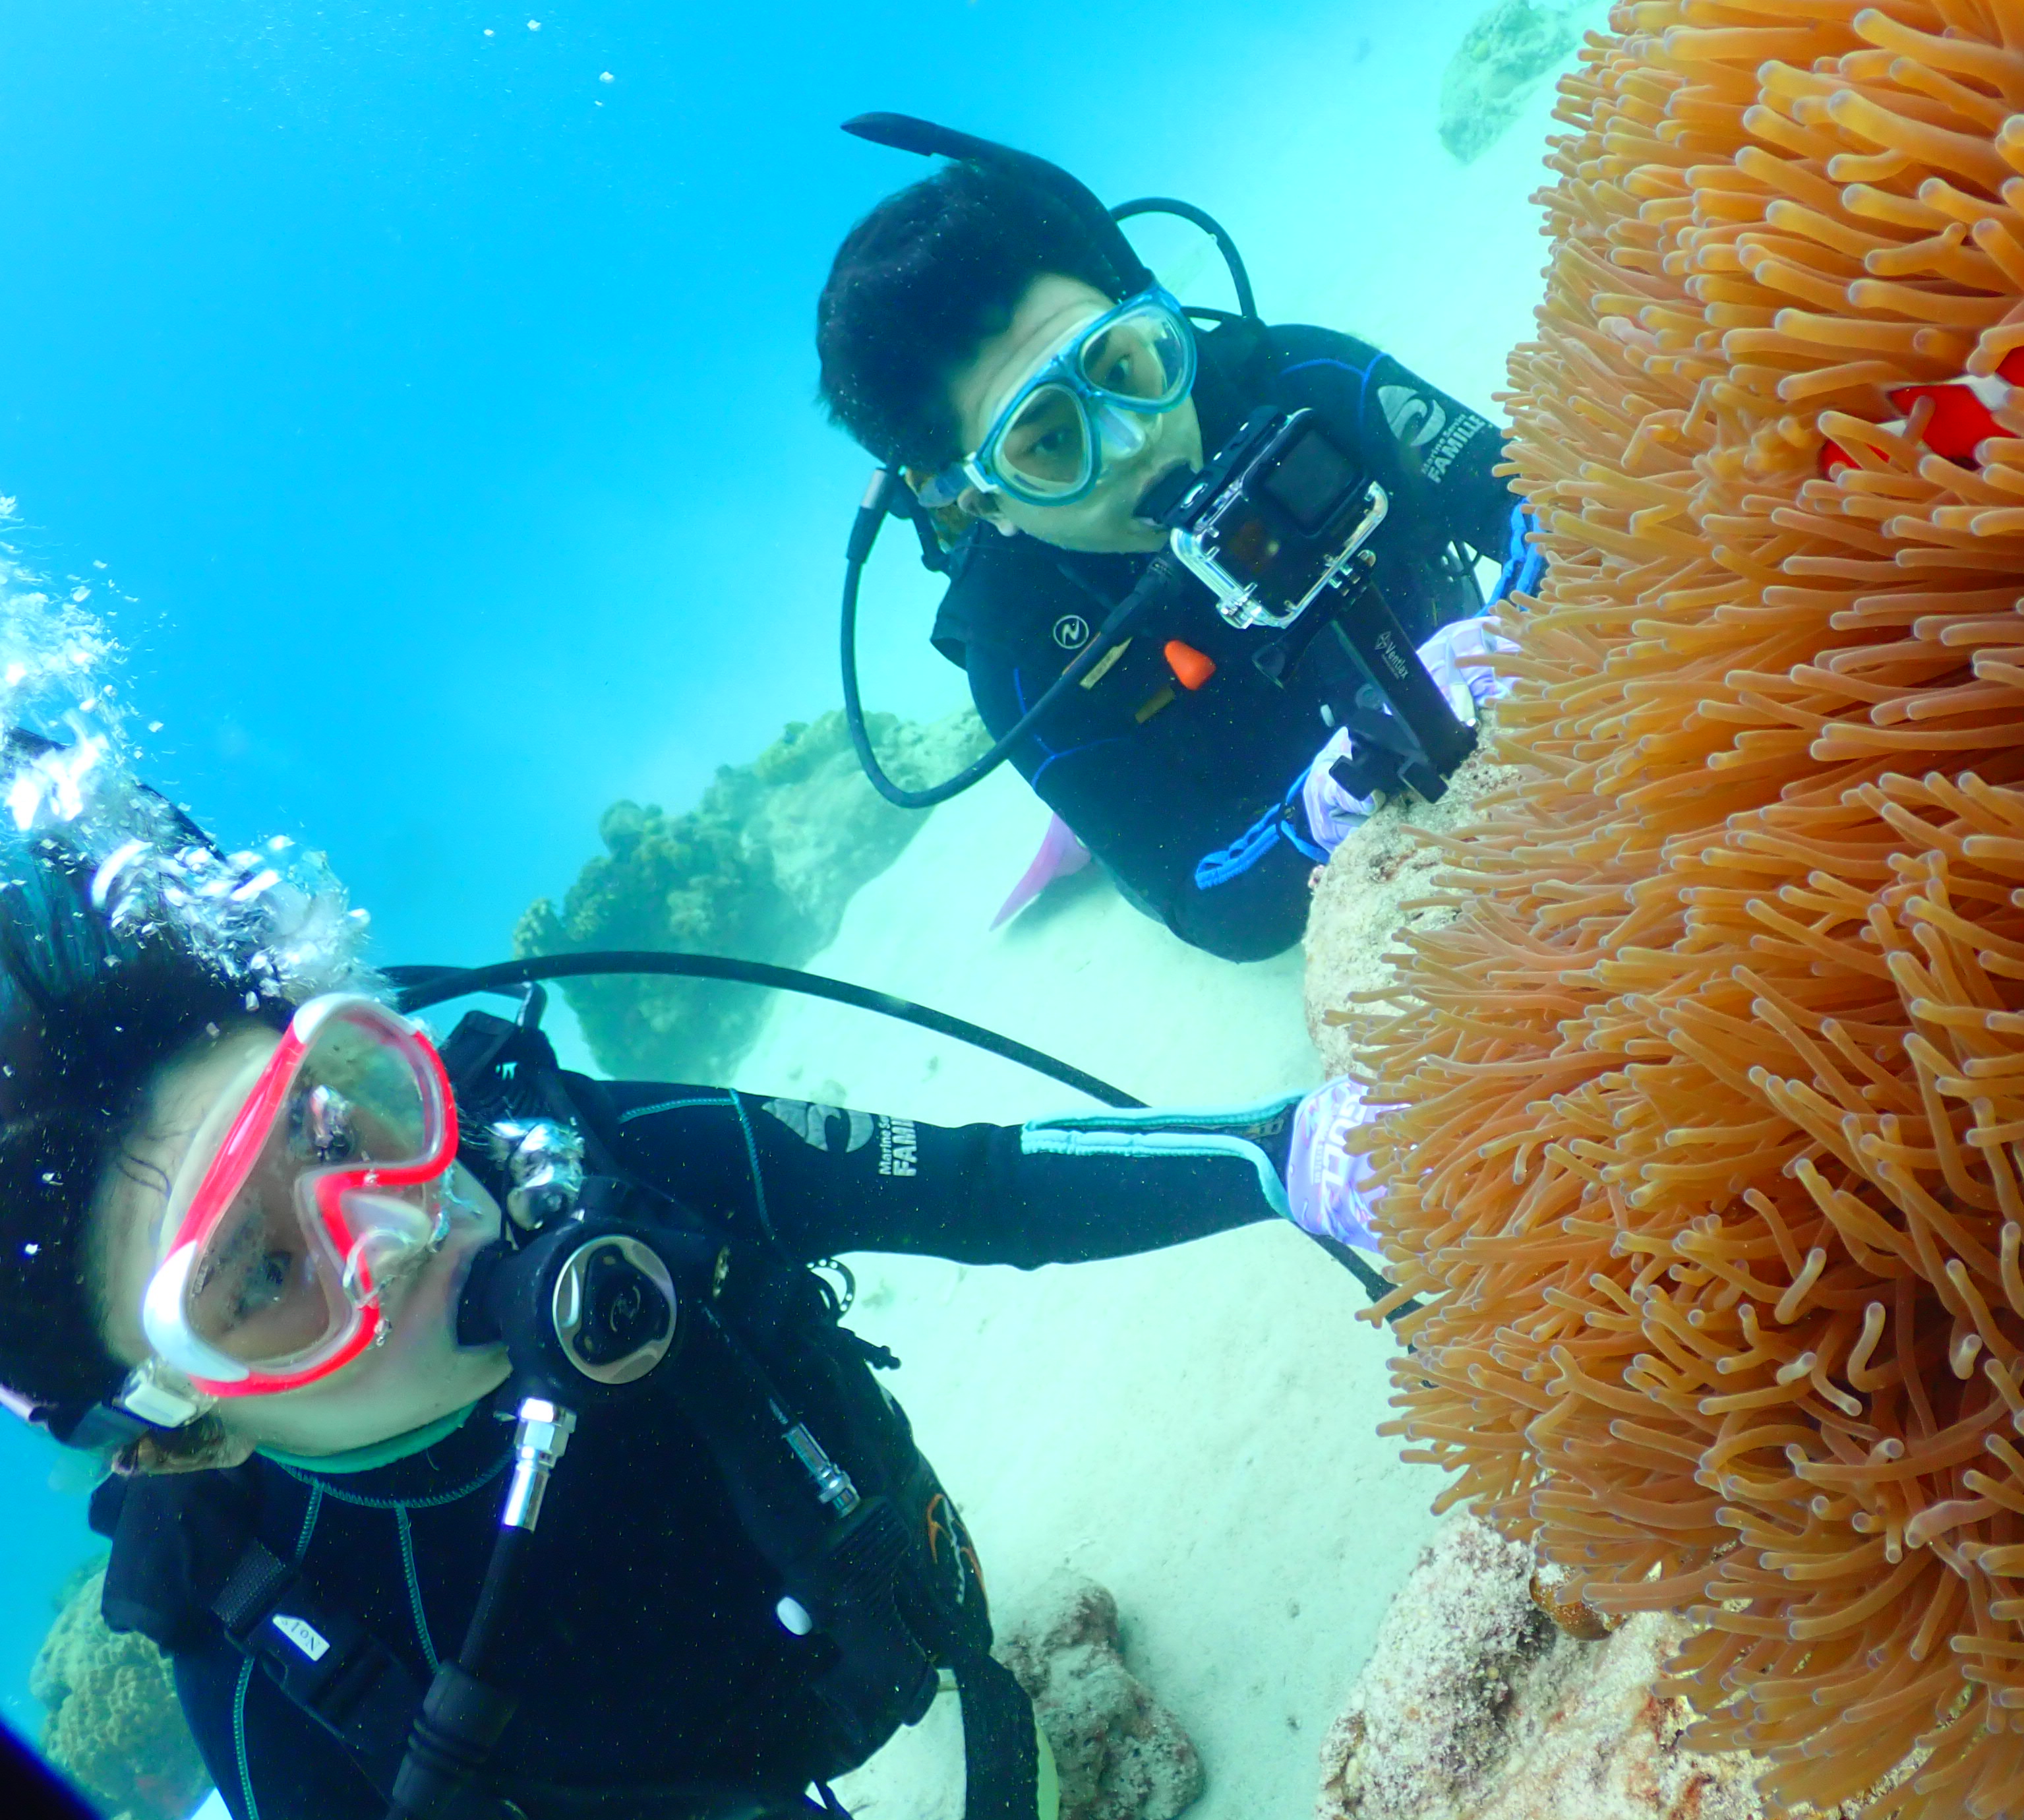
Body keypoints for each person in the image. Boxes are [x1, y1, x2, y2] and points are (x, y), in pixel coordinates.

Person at [0, 730, 1382, 1820]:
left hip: (904, 1617)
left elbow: (979, 1184)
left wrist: (1287, 1155)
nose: (396, 1222)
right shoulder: (256, 1645)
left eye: (334, 1117)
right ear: (176, 1426)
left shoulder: (584, 1156)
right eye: (258, 1277)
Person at [815, 123, 1541, 964]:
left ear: (1151, 318)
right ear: (982, 501)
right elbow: (1208, 904)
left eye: (1122, 367)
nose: (1133, 442)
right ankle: (1082, 824)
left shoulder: (1302, 383)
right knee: (1115, 810)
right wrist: (1316, 813)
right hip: (1256, 802)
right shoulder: (1019, 652)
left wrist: (1509, 633)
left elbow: (1555, 501)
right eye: (1050, 442)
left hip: (1457, 654)